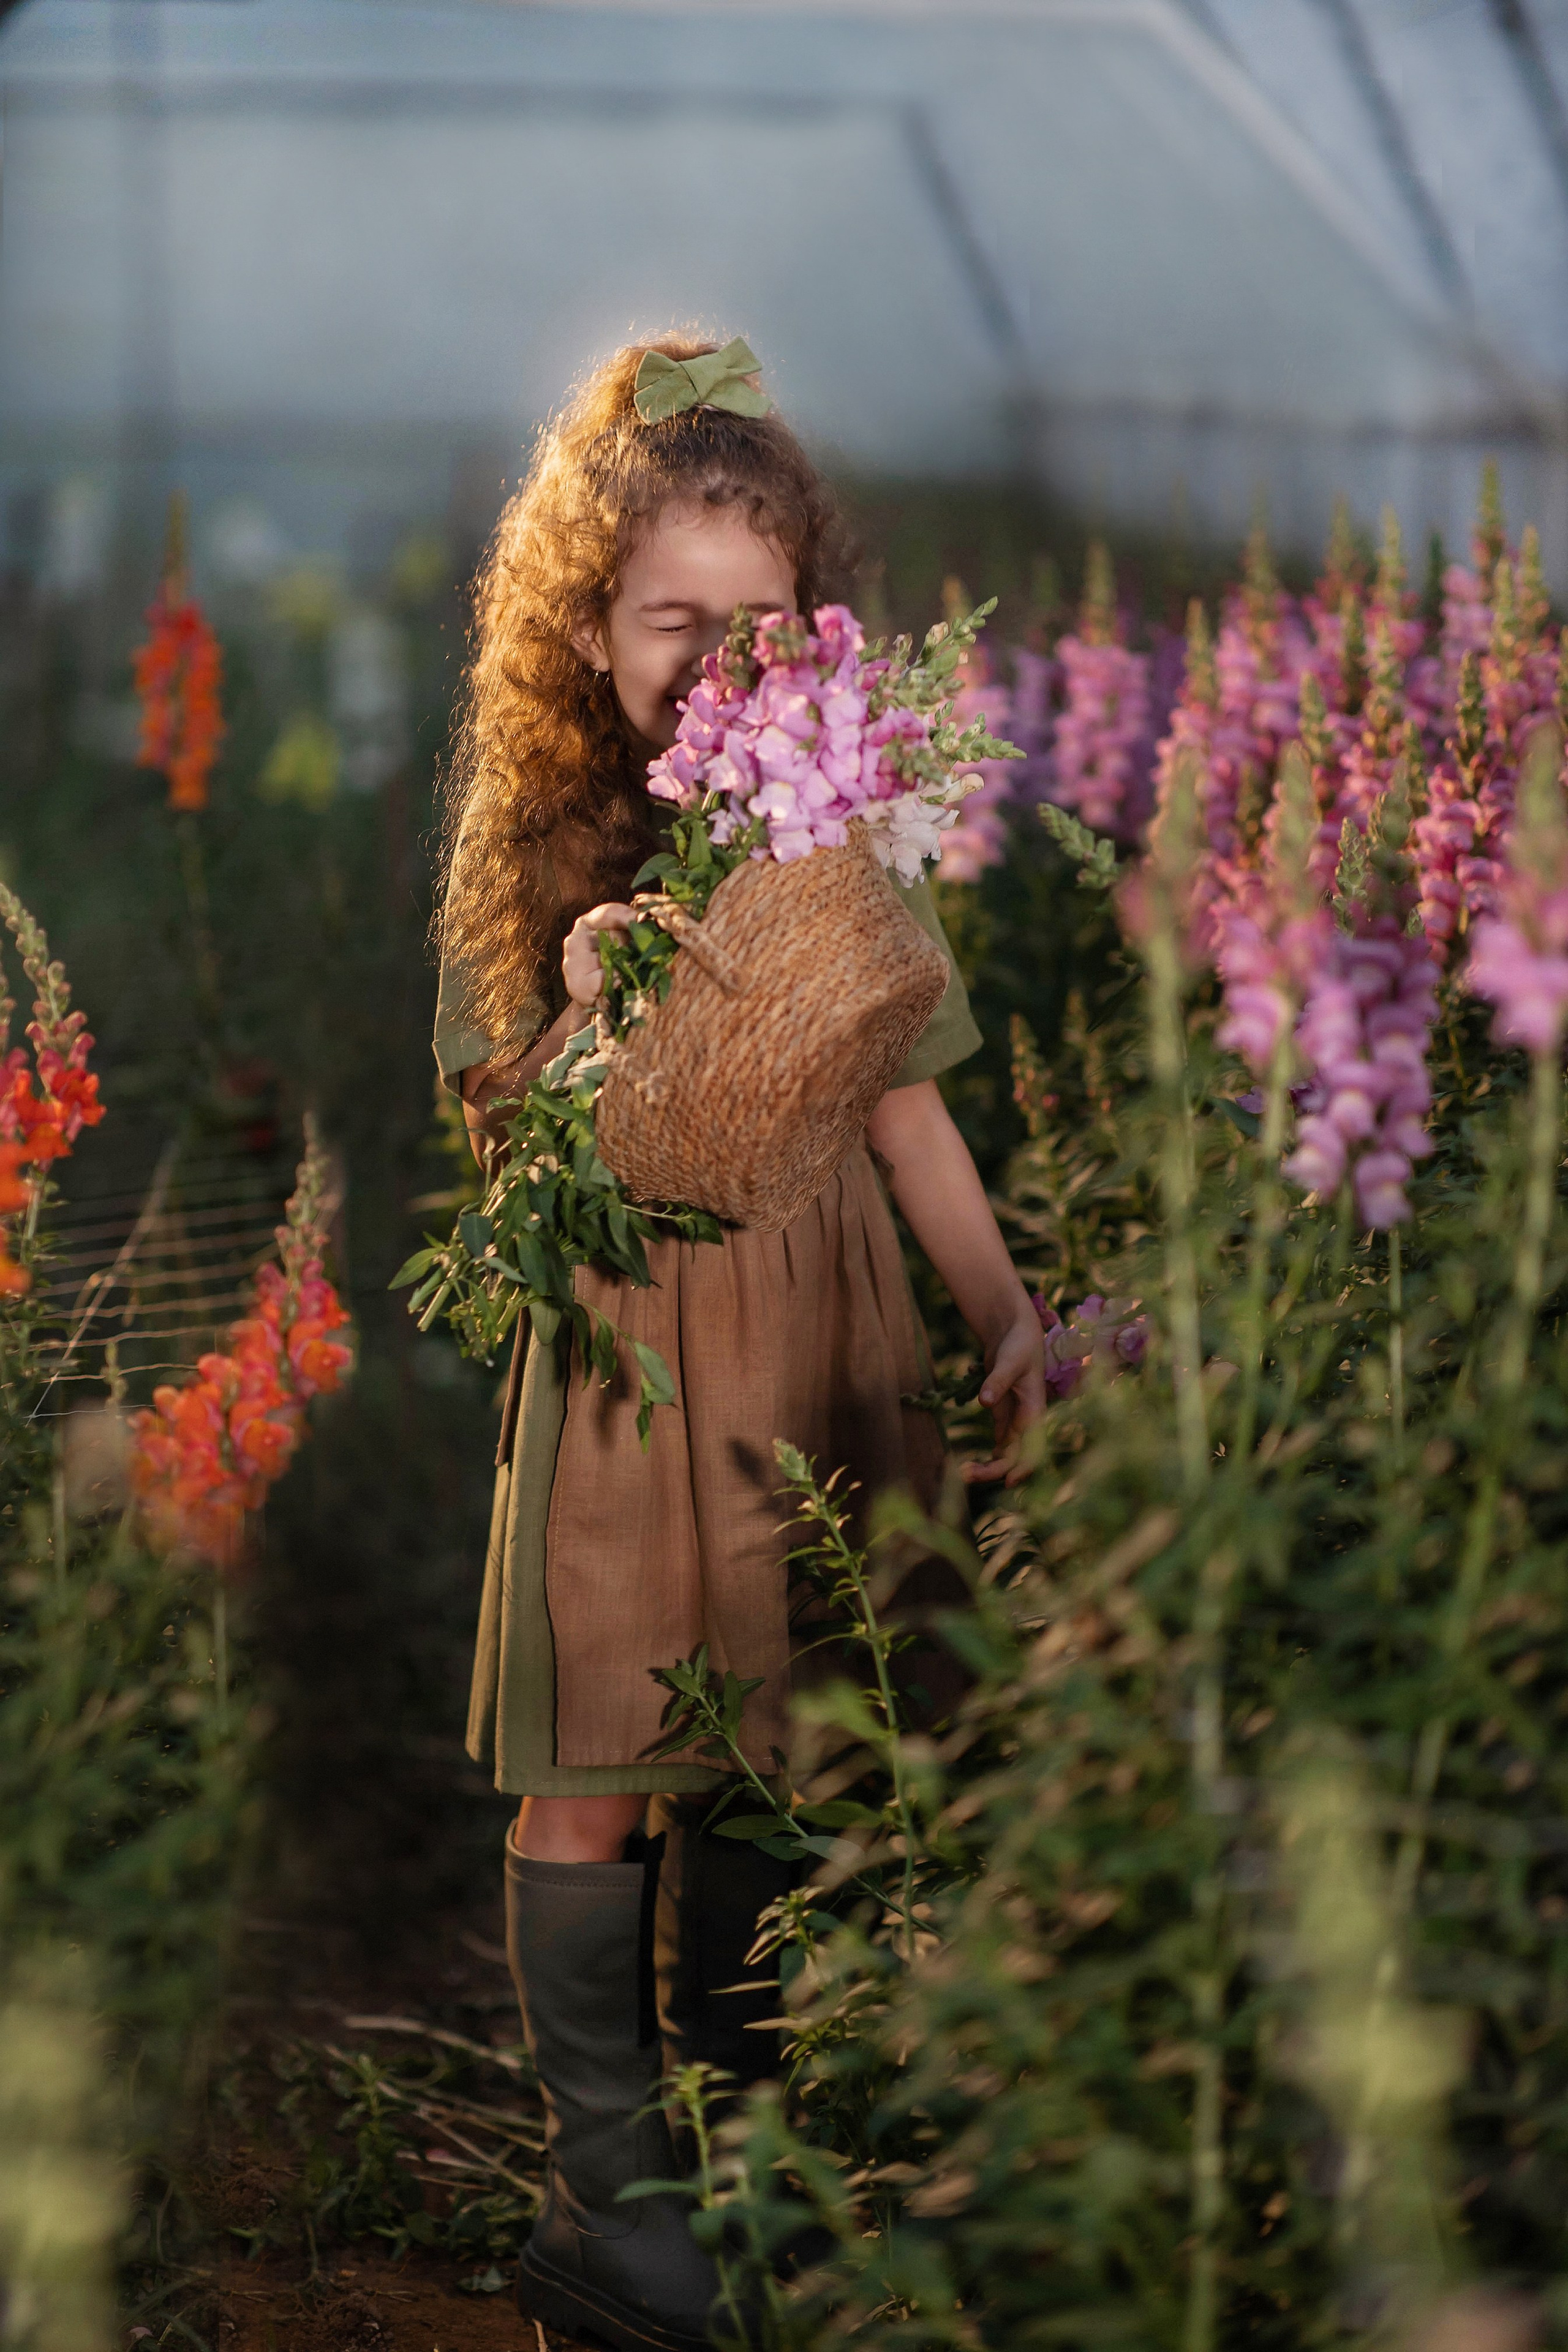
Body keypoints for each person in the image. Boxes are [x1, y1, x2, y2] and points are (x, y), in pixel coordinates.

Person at [433, 332, 1046, 2352]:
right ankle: (607, 2207)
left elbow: (908, 1104)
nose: (715, 667)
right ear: (584, 628)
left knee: (788, 1751)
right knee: (600, 1769)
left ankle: (745, 2178)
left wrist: (1007, 1316)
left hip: (819, 1316)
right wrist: (583, 1004)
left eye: (756, 625)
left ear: (813, 624)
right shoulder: (534, 838)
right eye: (667, 623)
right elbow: (500, 1146)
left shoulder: (831, 822)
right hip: (628, 1350)